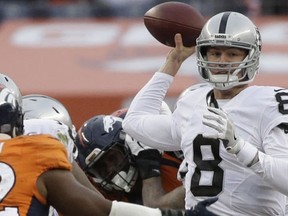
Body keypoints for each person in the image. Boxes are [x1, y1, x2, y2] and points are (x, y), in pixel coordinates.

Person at [123, 11, 288, 215]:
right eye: (215, 53)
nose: (222, 61)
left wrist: (240, 148)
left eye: (233, 54)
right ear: (203, 54)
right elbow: (134, 122)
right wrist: (172, 63)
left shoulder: (270, 102)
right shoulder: (193, 101)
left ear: (251, 56)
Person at [0, 76, 218, 215]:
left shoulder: (171, 150)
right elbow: (103, 210)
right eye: (101, 168)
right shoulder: (42, 153)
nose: (112, 171)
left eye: (112, 159)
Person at [75, 112, 184, 208]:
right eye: (101, 167)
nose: (111, 169)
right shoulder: (102, 196)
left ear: (128, 144)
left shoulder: (171, 155)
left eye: (112, 158)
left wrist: (149, 166)